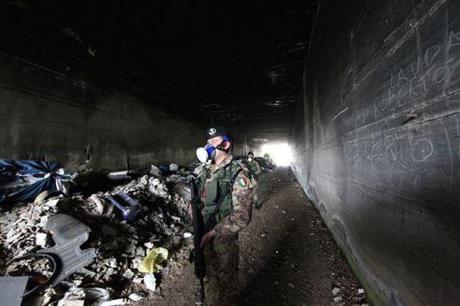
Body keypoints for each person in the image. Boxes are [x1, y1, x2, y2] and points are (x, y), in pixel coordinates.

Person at [194, 127, 254, 306]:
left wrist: (213, 233)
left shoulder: (237, 174)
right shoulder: (204, 172)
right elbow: (200, 200)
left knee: (226, 284)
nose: (208, 146)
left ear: (226, 145)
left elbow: (242, 217)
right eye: (208, 142)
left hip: (223, 240)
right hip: (203, 233)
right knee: (208, 276)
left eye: (214, 142)